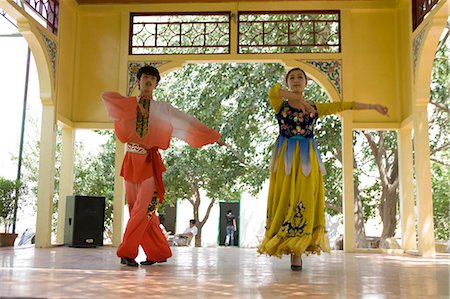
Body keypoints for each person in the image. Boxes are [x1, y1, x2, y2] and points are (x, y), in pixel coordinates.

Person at [257, 68, 388, 271]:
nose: (296, 80)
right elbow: (273, 91)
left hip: (308, 159)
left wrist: (372, 106)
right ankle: (285, 243)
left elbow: (345, 105)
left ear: (306, 83)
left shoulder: (316, 109)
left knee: (305, 198)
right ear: (288, 83)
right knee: (285, 198)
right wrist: (300, 101)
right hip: (285, 158)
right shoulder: (279, 105)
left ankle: (298, 252)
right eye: (291, 78)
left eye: (300, 77)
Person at [102, 66, 221, 266]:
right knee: (139, 212)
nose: (148, 81)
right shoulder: (128, 104)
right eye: (145, 77)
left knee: (143, 211)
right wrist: (133, 106)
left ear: (156, 84)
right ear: (139, 81)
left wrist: (212, 136)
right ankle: (157, 253)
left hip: (149, 164)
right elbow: (106, 97)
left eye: (152, 79)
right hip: (130, 161)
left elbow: (188, 122)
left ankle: (127, 252)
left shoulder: (163, 109)